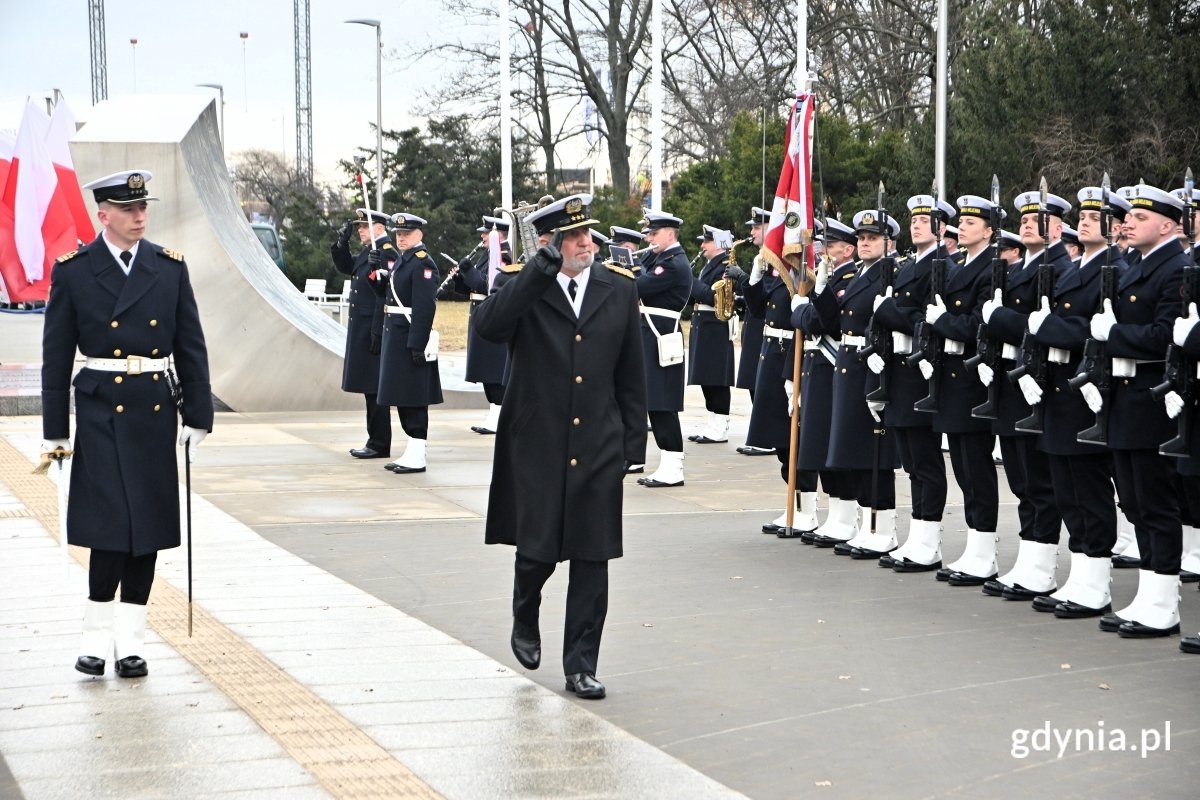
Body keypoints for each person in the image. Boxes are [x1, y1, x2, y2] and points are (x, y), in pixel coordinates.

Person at [473, 193, 647, 700]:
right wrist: (535, 274)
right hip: (538, 442)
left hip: (598, 441)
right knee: (538, 552)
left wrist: (632, 443)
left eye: (587, 233)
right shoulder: (524, 286)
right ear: (549, 242)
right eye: (573, 237)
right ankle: (525, 611)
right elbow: (487, 328)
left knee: (592, 558)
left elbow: (631, 374)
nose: (585, 243)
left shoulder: (617, 290)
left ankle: (581, 665)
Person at [42, 169, 213, 678]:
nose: (140, 217)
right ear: (104, 214)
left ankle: (131, 642)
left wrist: (198, 415)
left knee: (148, 530)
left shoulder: (168, 268)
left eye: (144, 208)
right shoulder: (74, 271)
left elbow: (190, 346)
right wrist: (56, 432)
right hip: (99, 410)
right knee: (109, 529)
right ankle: (95, 639)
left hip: (153, 411)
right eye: (128, 209)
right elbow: (55, 357)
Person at [1090, 184, 1187, 638]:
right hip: (1125, 397)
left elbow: (1168, 335)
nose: (1127, 221)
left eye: (1140, 217)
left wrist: (1114, 335)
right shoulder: (1136, 266)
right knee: (1133, 499)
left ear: (1168, 225)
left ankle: (1165, 602)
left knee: (1155, 502)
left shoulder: (1177, 269)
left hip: (1152, 396)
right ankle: (1148, 594)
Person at [975, 189, 1070, 596]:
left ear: (1058, 227)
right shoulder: (1015, 270)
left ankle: (1043, 565)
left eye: (1038, 219)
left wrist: (1000, 318)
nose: (1028, 224)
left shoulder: (1060, 267)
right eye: (1025, 219)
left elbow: (1041, 326)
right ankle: (1029, 559)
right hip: (1011, 381)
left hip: (1039, 383)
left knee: (1038, 481)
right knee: (1020, 479)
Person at [811, 209, 900, 556]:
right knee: (856, 448)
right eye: (861, 238)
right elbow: (833, 322)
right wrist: (820, 291)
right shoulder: (861, 273)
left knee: (875, 450)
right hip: (849, 364)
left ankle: (883, 527)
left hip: (872, 363)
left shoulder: (889, 274)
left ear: (888, 243)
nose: (864, 243)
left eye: (872, 238)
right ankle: (867, 523)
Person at [873, 195, 954, 570]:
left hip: (922, 374)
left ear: (940, 227)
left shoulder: (944, 267)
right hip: (900, 374)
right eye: (914, 219)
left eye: (925, 220)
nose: (916, 225)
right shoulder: (907, 267)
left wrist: (889, 312)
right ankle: (917, 534)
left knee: (925, 461)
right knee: (910, 462)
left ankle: (929, 540)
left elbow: (930, 322)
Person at [783, 219, 861, 541]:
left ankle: (846, 517)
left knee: (834, 445)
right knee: (819, 443)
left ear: (848, 249)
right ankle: (836, 515)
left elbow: (821, 321)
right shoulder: (828, 279)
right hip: (820, 368)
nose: (822, 251)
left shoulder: (848, 279)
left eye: (830, 246)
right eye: (822, 245)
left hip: (834, 367)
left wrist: (799, 309)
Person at [374, 213, 444, 474]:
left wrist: (417, 343)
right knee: (402, 396)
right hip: (397, 336)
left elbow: (425, 308)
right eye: (399, 234)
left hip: (409, 339)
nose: (401, 238)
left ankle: (418, 453)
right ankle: (411, 451)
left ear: (420, 235)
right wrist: (378, 281)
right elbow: (390, 298)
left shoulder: (423, 264)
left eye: (407, 234)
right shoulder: (404, 261)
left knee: (414, 398)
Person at [634, 210, 693, 487]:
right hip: (652, 334)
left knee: (663, 403)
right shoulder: (658, 258)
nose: (649, 238)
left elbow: (639, 285)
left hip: (662, 336)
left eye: (654, 233)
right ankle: (667, 464)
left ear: (670, 233)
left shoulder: (673, 263)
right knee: (654, 403)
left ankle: (674, 467)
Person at [333, 209, 395, 459]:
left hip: (373, 328)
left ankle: (379, 443)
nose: (360, 230)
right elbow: (347, 265)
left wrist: (378, 330)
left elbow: (385, 294)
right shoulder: (371, 252)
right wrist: (341, 244)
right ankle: (374, 439)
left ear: (378, 227)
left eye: (364, 227)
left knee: (375, 388)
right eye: (358, 227)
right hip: (363, 328)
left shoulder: (386, 252)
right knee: (370, 389)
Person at [456, 215, 512, 435]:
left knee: (493, 371)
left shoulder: (502, 256)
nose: (482, 236)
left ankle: (499, 415)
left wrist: (469, 272)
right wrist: (460, 279)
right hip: (480, 313)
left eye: (486, 232)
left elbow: (487, 285)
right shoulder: (487, 255)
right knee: (486, 372)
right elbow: (473, 287)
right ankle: (494, 413)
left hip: (491, 313)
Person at [687, 225, 738, 443]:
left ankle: (721, 424)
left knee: (716, 378)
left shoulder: (726, 266)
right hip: (704, 324)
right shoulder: (710, 265)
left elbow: (715, 296)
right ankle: (713, 422)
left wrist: (688, 281)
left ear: (717, 244)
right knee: (706, 378)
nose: (702, 246)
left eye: (706, 242)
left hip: (716, 325)